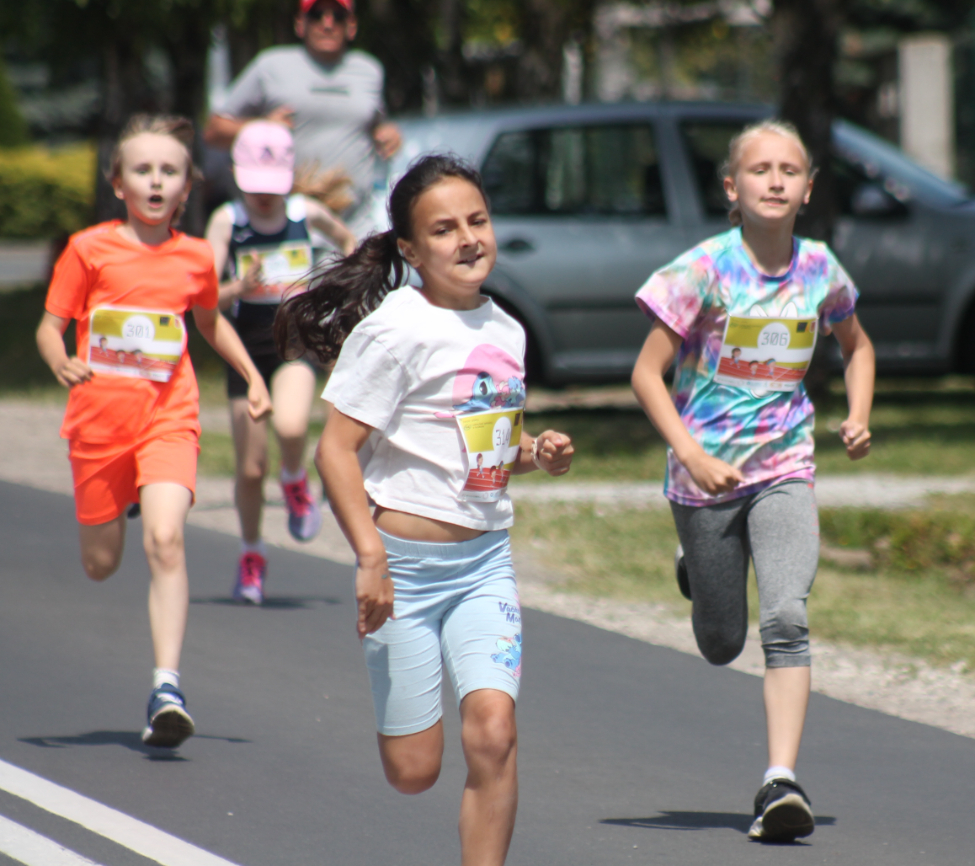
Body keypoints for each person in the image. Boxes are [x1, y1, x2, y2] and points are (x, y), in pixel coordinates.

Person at [279, 154, 575, 866]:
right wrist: (371, 560)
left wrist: (535, 453)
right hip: (404, 571)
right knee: (413, 772)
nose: (468, 238)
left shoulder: (506, 331)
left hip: (483, 564)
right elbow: (336, 451)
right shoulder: (394, 329)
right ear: (410, 249)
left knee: (494, 732)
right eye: (444, 230)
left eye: (477, 220)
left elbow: (484, 448)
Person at [629, 119, 875, 842]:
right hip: (703, 479)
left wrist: (858, 413)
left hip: (784, 468)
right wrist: (693, 457)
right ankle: (698, 570)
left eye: (789, 170)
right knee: (719, 640)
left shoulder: (821, 271)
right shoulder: (702, 270)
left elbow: (857, 348)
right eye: (760, 170)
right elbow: (646, 374)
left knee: (787, 618)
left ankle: (780, 781)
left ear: (807, 188)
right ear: (732, 189)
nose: (775, 180)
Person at [35, 114, 272, 749]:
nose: (156, 180)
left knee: (166, 541)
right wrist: (60, 359)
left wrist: (251, 374)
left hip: (169, 418)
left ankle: (167, 686)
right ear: (118, 183)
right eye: (142, 170)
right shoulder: (88, 249)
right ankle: (127, 498)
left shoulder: (195, 256)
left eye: (170, 170)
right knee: (101, 565)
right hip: (98, 427)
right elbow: (49, 326)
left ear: (187, 187)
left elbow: (209, 321)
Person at [205, 120, 356, 605]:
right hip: (243, 350)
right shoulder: (228, 221)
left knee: (292, 427)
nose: (264, 198)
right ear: (236, 175)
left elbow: (350, 243)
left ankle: (294, 479)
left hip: (293, 344)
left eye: (272, 186)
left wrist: (340, 288)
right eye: (255, 187)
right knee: (250, 469)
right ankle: (252, 554)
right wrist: (237, 289)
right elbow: (204, 296)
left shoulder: (304, 213)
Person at [204, 0, 402, 236]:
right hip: (291, 223)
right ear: (300, 24)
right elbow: (213, 131)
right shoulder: (271, 66)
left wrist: (388, 134)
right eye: (317, 15)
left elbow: (376, 125)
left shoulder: (370, 71)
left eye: (337, 16)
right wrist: (262, 127)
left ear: (352, 26)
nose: (327, 24)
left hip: (358, 226)